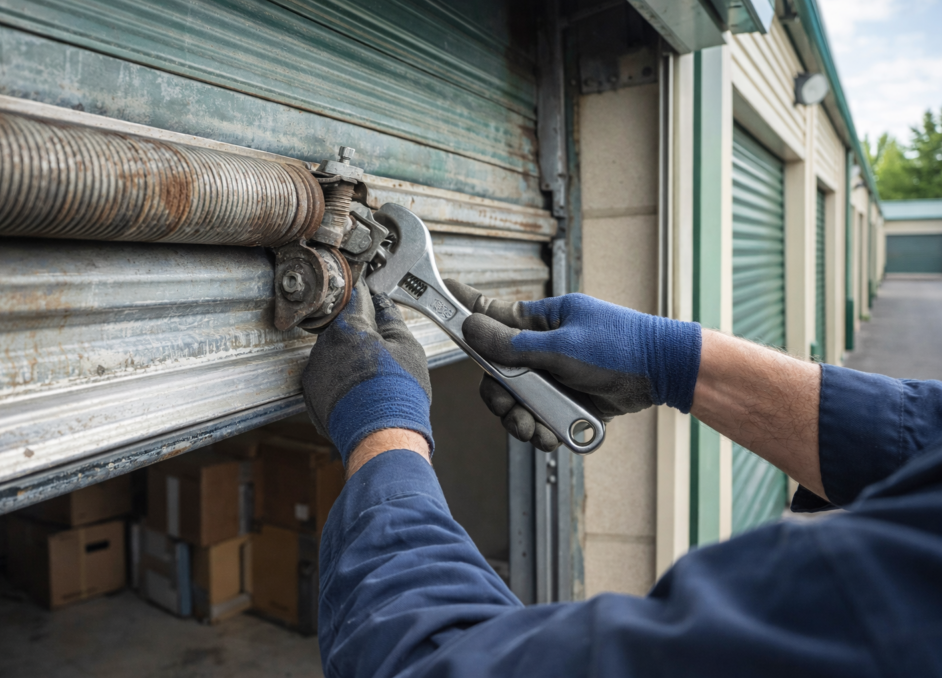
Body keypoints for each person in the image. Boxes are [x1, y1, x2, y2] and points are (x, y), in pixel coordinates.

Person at [300, 279, 942, 678]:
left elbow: (434, 663)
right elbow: (924, 446)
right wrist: (673, 360)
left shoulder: (894, 611)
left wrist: (384, 430)